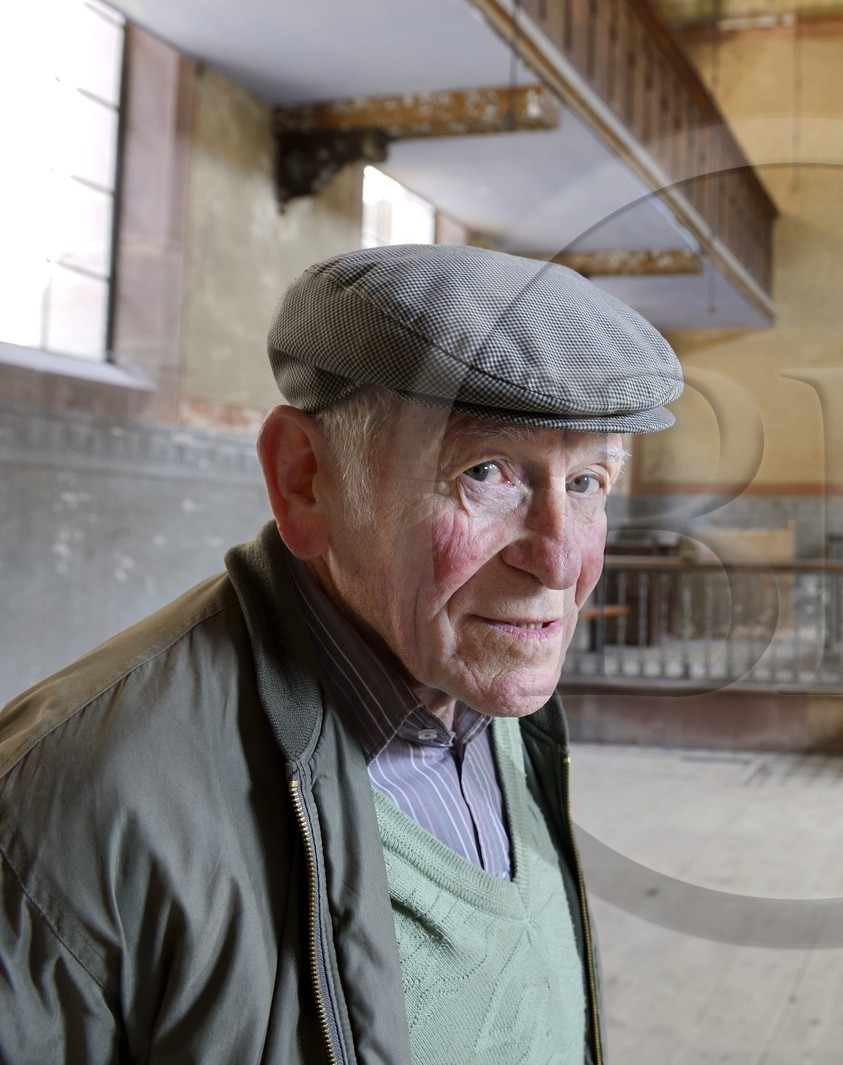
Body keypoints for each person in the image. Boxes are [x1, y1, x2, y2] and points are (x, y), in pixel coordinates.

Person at [0, 244, 683, 1064]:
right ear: (305, 480)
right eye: (488, 472)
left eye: (587, 484)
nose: (563, 561)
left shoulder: (476, 674)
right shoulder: (71, 803)